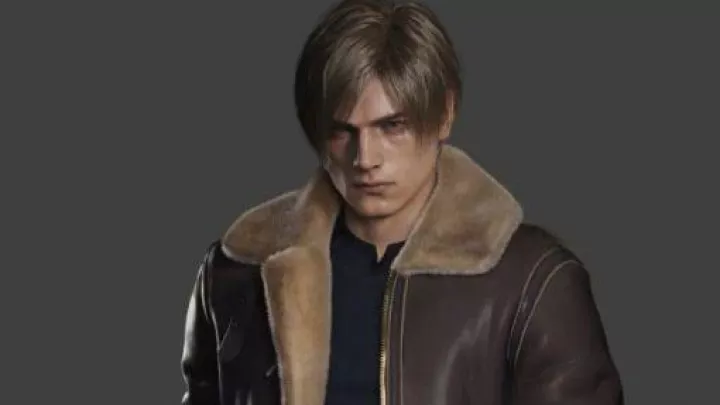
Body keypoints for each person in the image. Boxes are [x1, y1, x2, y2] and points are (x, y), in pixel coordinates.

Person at [180, 0, 624, 404]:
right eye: (342, 131)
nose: (365, 159)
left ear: (445, 114)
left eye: (392, 126)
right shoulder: (238, 269)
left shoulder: (533, 282)